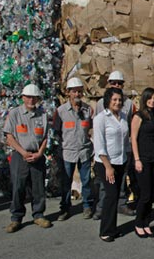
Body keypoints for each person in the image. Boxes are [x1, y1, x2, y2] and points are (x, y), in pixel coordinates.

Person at [4, 84, 52, 233]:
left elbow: (45, 137)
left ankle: (38, 215)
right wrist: (23, 152)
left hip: (37, 156)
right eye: (28, 97)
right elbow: (9, 137)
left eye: (34, 97)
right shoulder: (15, 114)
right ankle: (16, 218)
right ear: (23, 98)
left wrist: (40, 153)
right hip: (20, 156)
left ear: (38, 98)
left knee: (38, 187)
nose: (31, 100)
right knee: (18, 186)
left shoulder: (42, 115)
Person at [93, 70, 136, 219]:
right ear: (109, 84)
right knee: (106, 184)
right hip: (107, 155)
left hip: (122, 151)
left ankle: (121, 204)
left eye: (119, 83)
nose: (117, 85)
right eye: (113, 83)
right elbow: (99, 126)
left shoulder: (129, 104)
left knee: (121, 181)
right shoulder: (100, 103)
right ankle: (102, 208)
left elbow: (130, 124)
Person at [53, 77, 94, 221]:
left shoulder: (88, 109)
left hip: (84, 151)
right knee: (66, 182)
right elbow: (56, 132)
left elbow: (92, 128)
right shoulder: (61, 111)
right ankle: (65, 208)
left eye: (79, 91)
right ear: (68, 93)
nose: (77, 94)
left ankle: (87, 206)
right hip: (68, 153)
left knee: (86, 180)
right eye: (74, 91)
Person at [93, 87, 129, 242]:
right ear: (108, 101)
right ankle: (105, 231)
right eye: (114, 99)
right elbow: (99, 145)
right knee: (111, 195)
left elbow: (125, 140)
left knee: (115, 196)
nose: (117, 102)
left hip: (121, 161)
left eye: (120, 100)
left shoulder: (123, 116)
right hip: (106, 163)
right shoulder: (100, 118)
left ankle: (113, 228)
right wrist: (108, 167)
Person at [131, 88, 154, 238]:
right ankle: (138, 223)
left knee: (152, 193)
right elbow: (134, 139)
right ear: (144, 99)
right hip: (143, 159)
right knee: (145, 194)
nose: (153, 101)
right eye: (150, 98)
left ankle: (146, 222)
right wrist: (137, 159)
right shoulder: (138, 116)